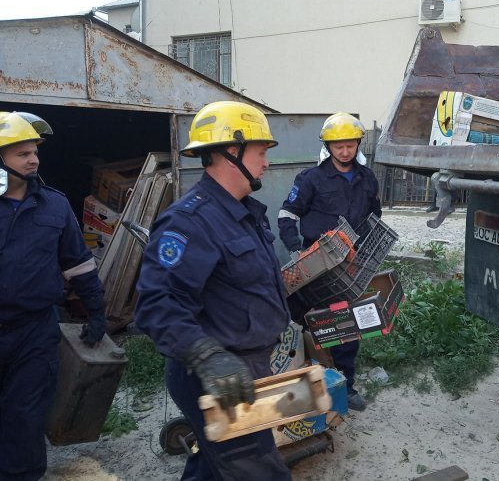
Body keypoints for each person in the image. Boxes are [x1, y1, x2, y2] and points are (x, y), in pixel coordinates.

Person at [134, 101, 292, 481]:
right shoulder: (191, 222)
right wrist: (206, 356)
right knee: (258, 470)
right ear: (229, 151)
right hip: (215, 375)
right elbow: (157, 304)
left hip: (246, 367)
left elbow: (248, 285)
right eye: (260, 152)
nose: (266, 163)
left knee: (213, 466)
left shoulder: (243, 213)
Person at [0, 111, 106, 481]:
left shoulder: (55, 205)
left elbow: (78, 264)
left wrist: (95, 310)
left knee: (25, 416)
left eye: (34, 152)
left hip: (34, 331)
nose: (34, 160)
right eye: (22, 154)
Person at [278, 112, 381, 412]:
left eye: (350, 145)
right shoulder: (310, 179)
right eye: (338, 146)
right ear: (328, 146)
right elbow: (288, 215)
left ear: (358, 144)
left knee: (345, 326)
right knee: (296, 321)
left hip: (349, 267)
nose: (345, 152)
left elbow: (375, 216)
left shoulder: (368, 179)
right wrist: (296, 249)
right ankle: (293, 381)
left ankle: (345, 387)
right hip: (314, 264)